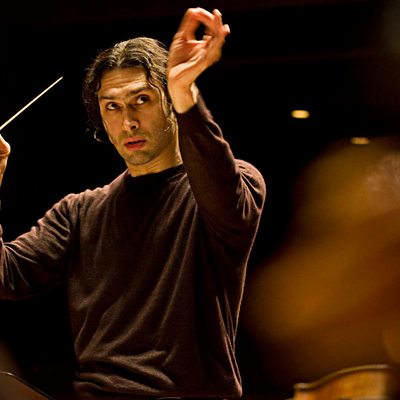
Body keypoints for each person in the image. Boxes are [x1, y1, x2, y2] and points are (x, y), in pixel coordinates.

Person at [0, 7, 266, 400]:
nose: (128, 122)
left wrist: (184, 92)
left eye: (141, 99)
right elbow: (5, 276)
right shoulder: (79, 213)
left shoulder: (235, 182)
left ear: (170, 105)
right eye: (112, 106)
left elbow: (228, 203)